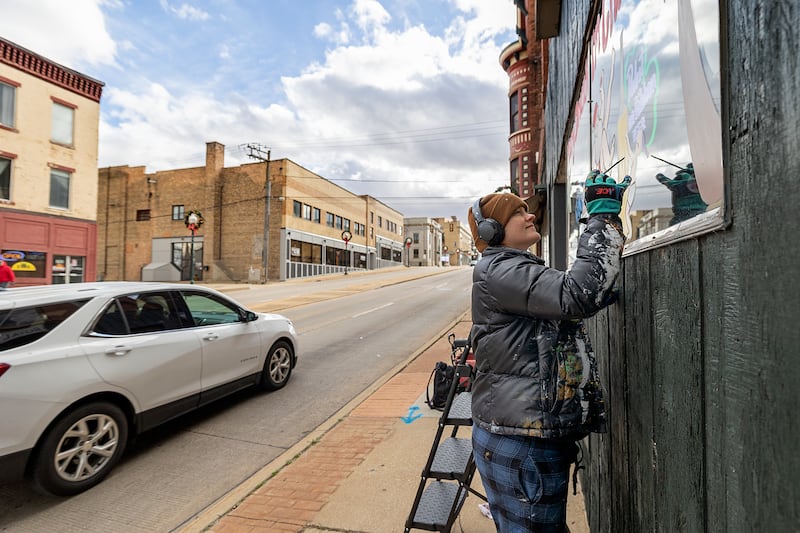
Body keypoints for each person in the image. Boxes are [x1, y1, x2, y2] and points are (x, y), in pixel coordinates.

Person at [466, 170, 629, 532]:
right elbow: (576, 294)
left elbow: (565, 301)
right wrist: (601, 218)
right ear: (493, 230)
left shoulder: (510, 269)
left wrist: (598, 291)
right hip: (521, 442)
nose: (530, 216)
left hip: (520, 435)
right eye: (518, 213)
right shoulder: (501, 269)